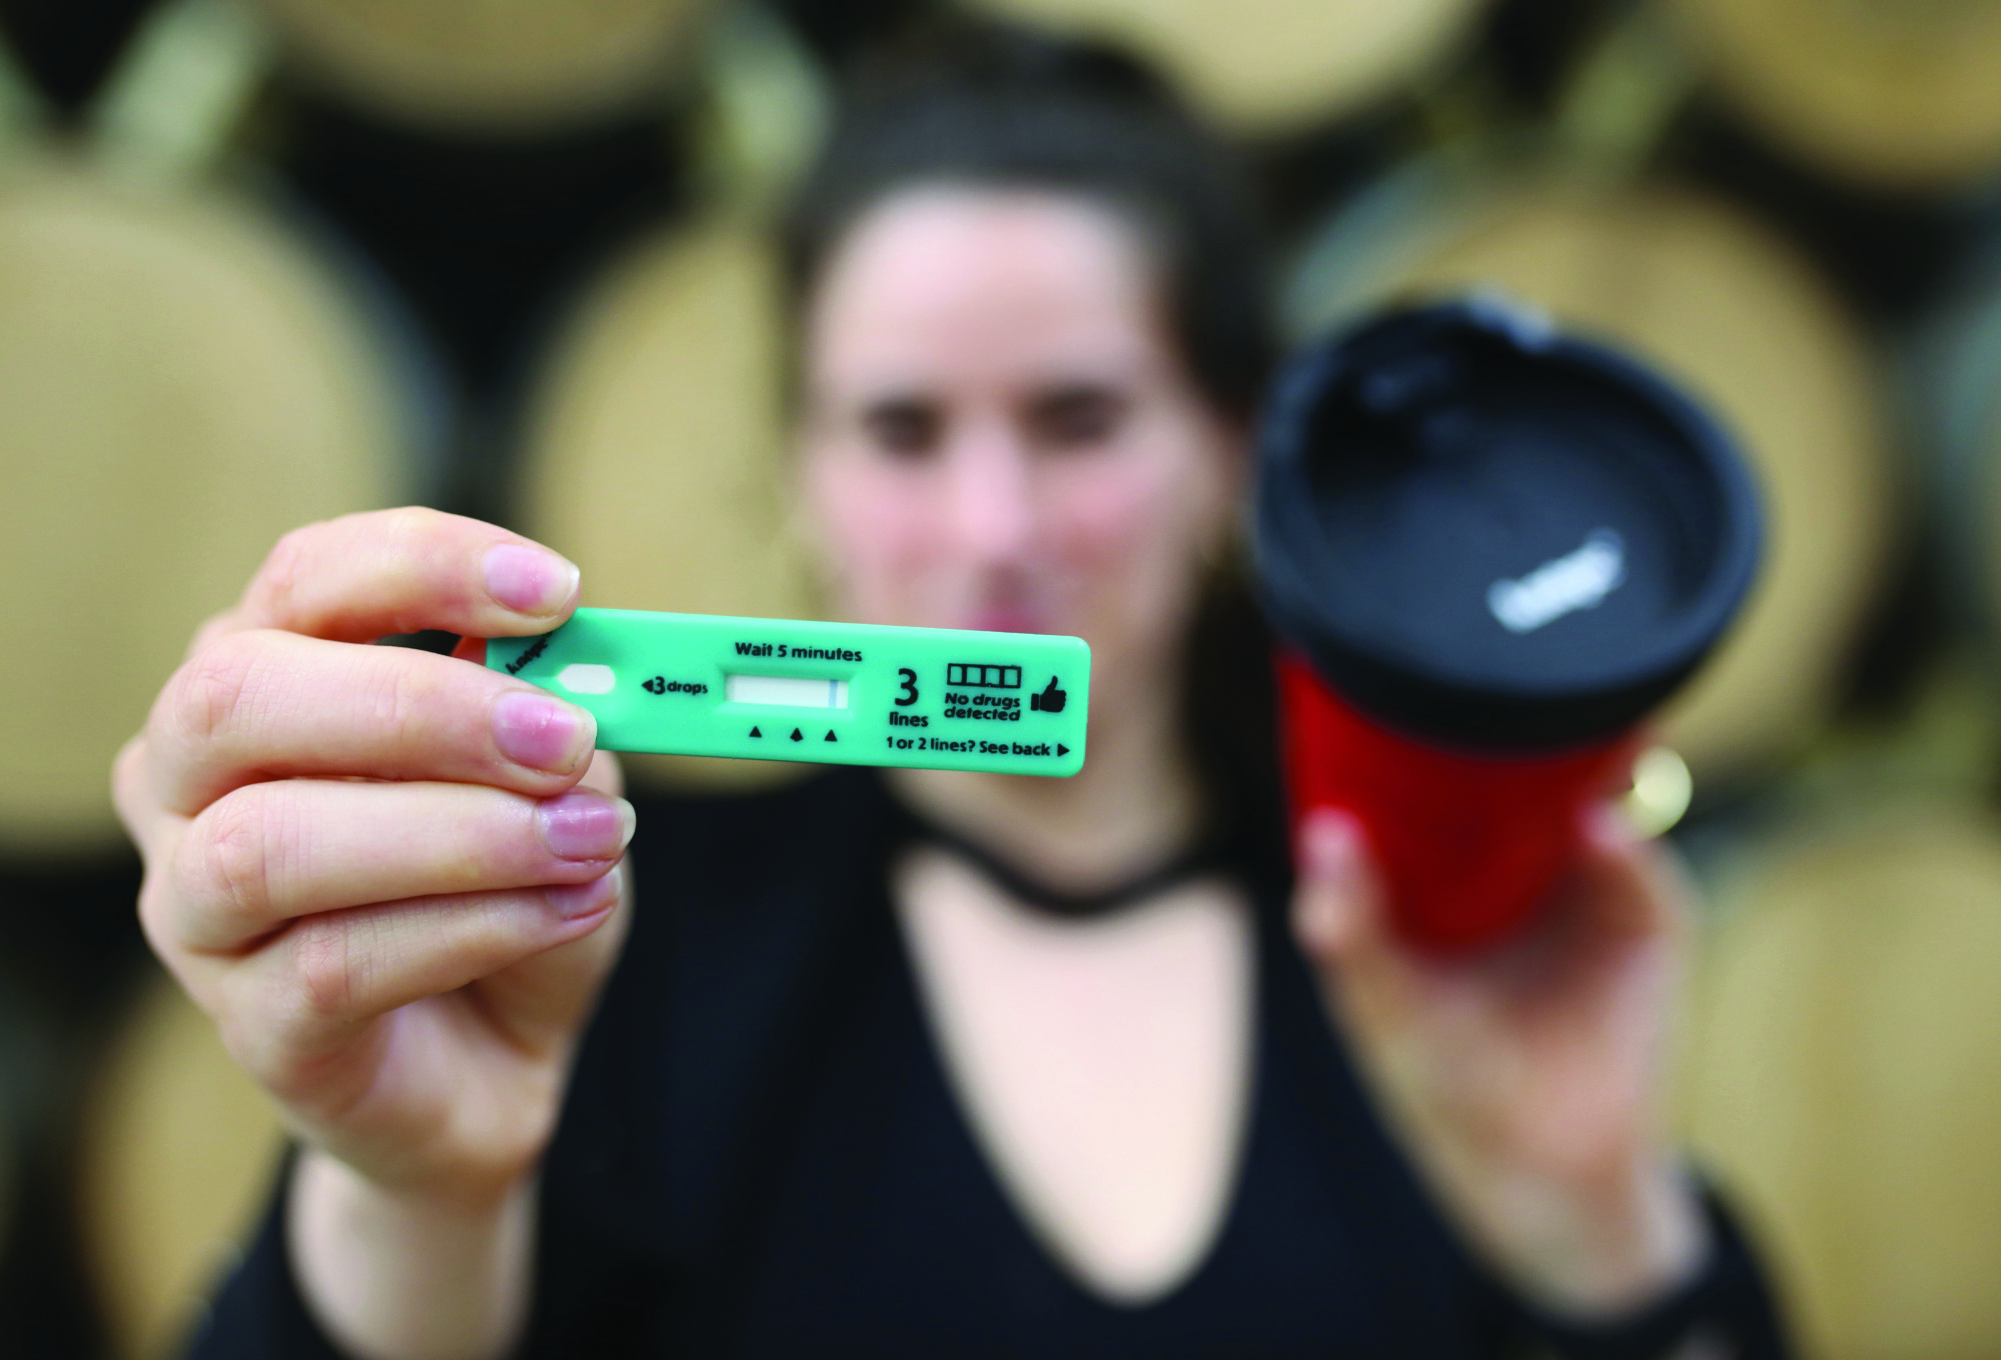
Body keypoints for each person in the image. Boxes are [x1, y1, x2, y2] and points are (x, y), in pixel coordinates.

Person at [112, 27, 1790, 1359]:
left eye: (1078, 421)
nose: (993, 533)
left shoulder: (1430, 946)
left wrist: (1601, 1229)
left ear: (1225, 452)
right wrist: (408, 1192)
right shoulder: (582, 923)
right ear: (802, 475)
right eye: (903, 432)